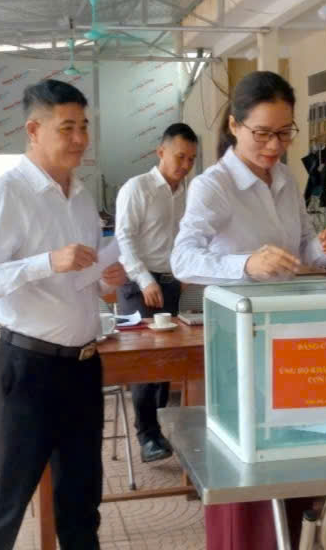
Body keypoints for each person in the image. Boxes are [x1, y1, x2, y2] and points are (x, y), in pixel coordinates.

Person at [170, 71, 326, 550]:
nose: (274, 146)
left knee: (292, 449)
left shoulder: (286, 178)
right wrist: (245, 263)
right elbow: (182, 259)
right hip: (238, 337)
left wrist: (324, 247)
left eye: (285, 134)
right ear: (234, 125)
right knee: (245, 458)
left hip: (288, 335)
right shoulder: (214, 186)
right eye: (263, 133)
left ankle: (294, 539)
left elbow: (301, 249)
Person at [0, 80, 127, 550]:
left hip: (83, 365)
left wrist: (105, 280)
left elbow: (84, 281)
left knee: (82, 497)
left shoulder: (81, 195)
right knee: (11, 494)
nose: (80, 139)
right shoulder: (7, 194)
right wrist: (46, 262)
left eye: (84, 127)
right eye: (67, 128)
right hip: (30, 366)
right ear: (34, 130)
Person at [115, 122, 198, 463]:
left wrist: (185, 272)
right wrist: (144, 279)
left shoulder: (187, 193)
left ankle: (158, 429)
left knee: (166, 361)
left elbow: (188, 238)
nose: (185, 165)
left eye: (191, 159)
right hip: (139, 286)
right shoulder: (138, 188)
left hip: (170, 283)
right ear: (161, 152)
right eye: (180, 156)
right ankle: (146, 435)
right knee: (144, 363)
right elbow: (124, 238)